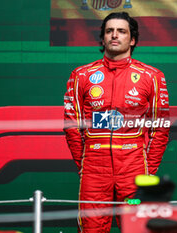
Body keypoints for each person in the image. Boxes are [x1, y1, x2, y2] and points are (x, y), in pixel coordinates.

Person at [63, 12, 170, 233]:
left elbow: (161, 127)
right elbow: (72, 125)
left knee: (136, 228)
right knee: (92, 229)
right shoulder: (82, 75)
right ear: (102, 38)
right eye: (109, 31)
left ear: (132, 40)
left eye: (121, 31)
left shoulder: (151, 76)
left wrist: (148, 169)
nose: (115, 35)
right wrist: (84, 163)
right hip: (94, 170)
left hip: (134, 170)